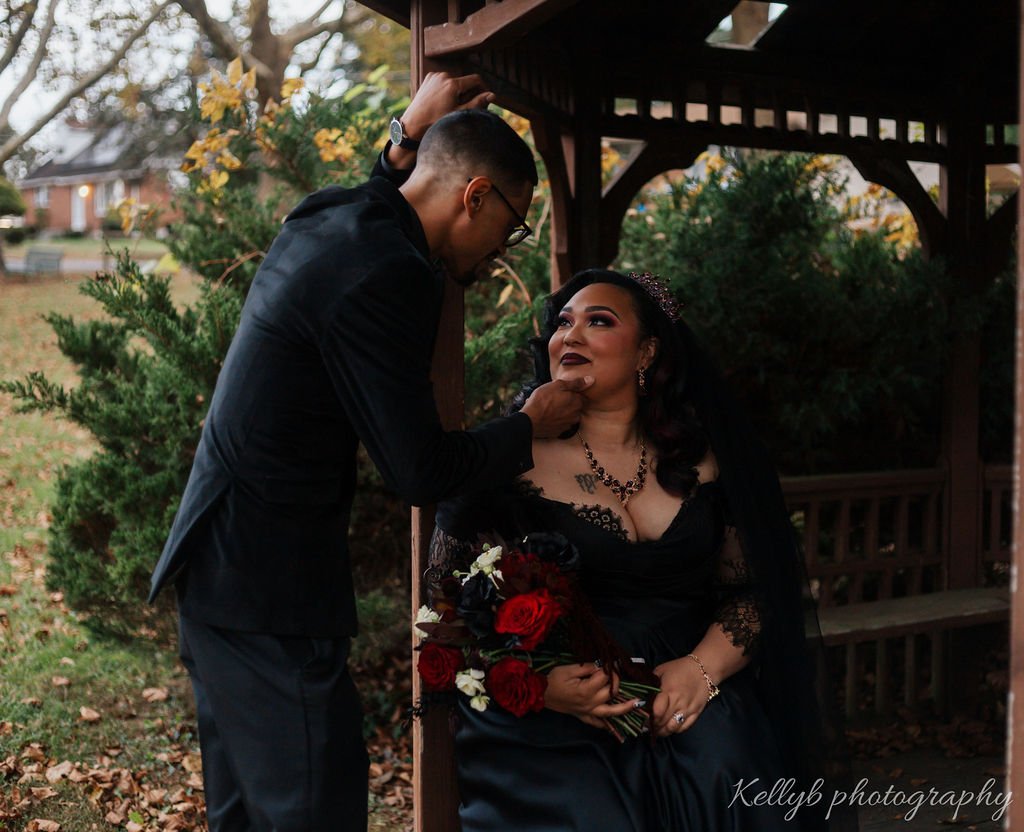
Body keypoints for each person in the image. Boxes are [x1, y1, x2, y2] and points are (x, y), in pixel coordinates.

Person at [148, 72, 592, 832]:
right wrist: (529, 423)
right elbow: (419, 469)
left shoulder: (332, 216)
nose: (502, 251)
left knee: (246, 816)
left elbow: (377, 194)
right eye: (512, 225)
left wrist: (402, 136)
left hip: (217, 566)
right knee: (314, 806)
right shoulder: (393, 275)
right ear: (474, 196)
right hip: (266, 592)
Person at [429, 269, 841, 831]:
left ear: (647, 351)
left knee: (733, 778)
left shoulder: (708, 460)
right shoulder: (505, 460)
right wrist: (539, 685)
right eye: (562, 324)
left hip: (689, 677)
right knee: (595, 815)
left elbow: (759, 588)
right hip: (563, 701)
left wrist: (702, 670)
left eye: (598, 321)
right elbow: (439, 608)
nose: (570, 336)